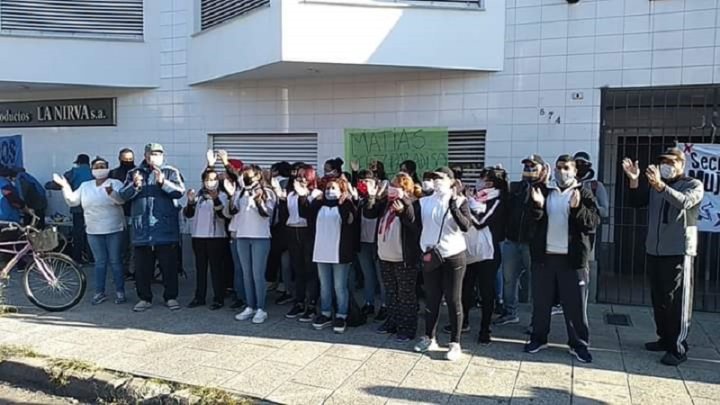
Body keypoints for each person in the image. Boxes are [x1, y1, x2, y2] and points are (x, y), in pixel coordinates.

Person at [622, 147, 703, 366]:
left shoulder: (693, 185)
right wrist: (634, 179)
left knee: (676, 301)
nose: (666, 166)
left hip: (679, 251)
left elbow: (684, 202)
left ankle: (678, 347)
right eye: (662, 162)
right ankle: (664, 339)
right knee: (659, 298)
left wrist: (660, 185)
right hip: (655, 250)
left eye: (671, 162)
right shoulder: (655, 185)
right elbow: (636, 202)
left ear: (681, 164)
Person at [524, 154, 600, 364]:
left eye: (566, 168)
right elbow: (532, 222)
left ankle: (579, 344)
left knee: (574, 306)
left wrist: (577, 209)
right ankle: (538, 338)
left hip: (572, 261)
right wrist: (538, 206)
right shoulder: (546, 192)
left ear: (575, 171)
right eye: (558, 167)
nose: (561, 171)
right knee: (541, 303)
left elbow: (592, 223)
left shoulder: (583, 193)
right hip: (545, 258)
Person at [414, 167, 472, 361]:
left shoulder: (461, 201)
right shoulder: (423, 202)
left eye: (440, 178)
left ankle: (455, 343)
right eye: (433, 178)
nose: (435, 181)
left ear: (451, 181)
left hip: (453, 255)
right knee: (432, 297)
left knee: (453, 298)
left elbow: (465, 226)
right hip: (431, 256)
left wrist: (454, 205)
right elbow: (411, 221)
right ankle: (429, 337)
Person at [120, 143, 186, 312]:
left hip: (165, 228)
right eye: (151, 153)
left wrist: (163, 182)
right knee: (142, 269)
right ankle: (144, 298)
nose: (154, 156)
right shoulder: (134, 172)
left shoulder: (171, 171)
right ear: (145, 155)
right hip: (142, 230)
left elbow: (179, 192)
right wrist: (135, 185)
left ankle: (171, 297)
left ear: (163, 155)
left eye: (158, 153)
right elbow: (122, 195)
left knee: (168, 267)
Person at [54, 157, 126, 305]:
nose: (99, 169)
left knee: (115, 261)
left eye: (102, 166)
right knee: (100, 262)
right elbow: (73, 201)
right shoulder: (85, 186)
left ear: (108, 168)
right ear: (92, 169)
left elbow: (121, 201)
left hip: (114, 228)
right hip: (93, 230)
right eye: (97, 166)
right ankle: (99, 292)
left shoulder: (116, 183)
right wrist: (64, 185)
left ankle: (120, 292)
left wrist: (111, 193)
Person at [452, 166, 507, 344]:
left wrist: (467, 205)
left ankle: (485, 328)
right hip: (469, 249)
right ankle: (464, 321)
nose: (480, 182)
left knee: (486, 290)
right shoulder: (475, 197)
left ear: (492, 183)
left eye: (484, 179)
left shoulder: (497, 199)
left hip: (488, 253)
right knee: (466, 288)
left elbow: (481, 222)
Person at [494, 155, 548, 326]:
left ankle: (536, 320)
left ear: (542, 170)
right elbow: (504, 202)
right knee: (509, 279)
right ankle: (510, 312)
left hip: (532, 244)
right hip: (511, 241)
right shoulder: (516, 187)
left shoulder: (547, 191)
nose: (529, 170)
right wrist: (501, 179)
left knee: (536, 283)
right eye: (527, 167)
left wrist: (543, 186)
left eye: (533, 167)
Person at [226, 165, 276, 324]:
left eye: (247, 174)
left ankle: (261, 308)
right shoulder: (240, 191)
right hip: (242, 236)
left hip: (260, 236)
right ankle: (250, 306)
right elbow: (232, 212)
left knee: (257, 274)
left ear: (257, 176)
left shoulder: (267, 192)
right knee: (246, 273)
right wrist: (231, 195)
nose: (244, 177)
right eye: (243, 174)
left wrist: (259, 200)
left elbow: (267, 213)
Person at [374, 173, 421, 342]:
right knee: (391, 292)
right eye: (392, 185)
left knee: (406, 294)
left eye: (397, 186)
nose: (393, 188)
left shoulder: (414, 203)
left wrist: (404, 206)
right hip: (385, 255)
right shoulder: (387, 204)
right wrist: (375, 195)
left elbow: (414, 225)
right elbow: (370, 213)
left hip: (404, 257)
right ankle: (392, 321)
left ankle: (407, 328)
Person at [310, 177, 357, 334]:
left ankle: (341, 314)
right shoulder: (319, 205)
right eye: (328, 188)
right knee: (325, 285)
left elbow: (350, 222)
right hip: (321, 251)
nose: (330, 191)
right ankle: (325, 313)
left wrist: (346, 201)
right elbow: (307, 215)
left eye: (334, 188)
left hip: (339, 253)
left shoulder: (345, 205)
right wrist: (312, 198)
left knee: (339, 286)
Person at [280, 165, 323, 322]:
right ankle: (299, 301)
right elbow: (285, 214)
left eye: (304, 176)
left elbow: (309, 214)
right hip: (292, 231)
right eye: (298, 176)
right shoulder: (291, 193)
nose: (300, 179)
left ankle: (311, 304)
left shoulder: (316, 194)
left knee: (310, 269)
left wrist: (303, 195)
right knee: (297, 269)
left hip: (308, 232)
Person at [184, 168, 229, 310]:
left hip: (216, 237)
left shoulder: (223, 195)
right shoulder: (199, 195)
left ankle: (219, 298)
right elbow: (189, 214)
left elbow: (223, 215)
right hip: (198, 236)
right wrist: (190, 202)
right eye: (208, 179)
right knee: (200, 268)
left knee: (216, 268)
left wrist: (215, 198)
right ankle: (199, 297)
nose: (211, 182)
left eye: (214, 179)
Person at [355, 169, 387, 321]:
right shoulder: (359, 200)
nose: (364, 185)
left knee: (381, 277)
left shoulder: (382, 201)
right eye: (361, 182)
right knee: (368, 275)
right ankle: (369, 303)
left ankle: (385, 306)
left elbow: (371, 212)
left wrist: (373, 196)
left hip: (377, 243)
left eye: (367, 182)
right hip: (362, 241)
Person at [267, 161, 293, 304]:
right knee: (283, 260)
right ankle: (282, 285)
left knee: (284, 260)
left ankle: (285, 288)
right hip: (281, 227)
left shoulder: (281, 184)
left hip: (282, 228)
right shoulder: (284, 184)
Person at [110, 148, 136, 279]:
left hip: (134, 213)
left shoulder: (137, 172)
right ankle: (120, 269)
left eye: (130, 159)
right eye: (125, 159)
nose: (128, 161)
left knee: (133, 244)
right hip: (118, 213)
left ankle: (132, 270)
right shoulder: (113, 173)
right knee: (120, 244)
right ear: (119, 159)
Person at [64, 154, 94, 263]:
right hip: (92, 208)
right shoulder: (93, 172)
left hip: (78, 208)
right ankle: (92, 258)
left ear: (78, 162)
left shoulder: (74, 171)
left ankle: (77, 259)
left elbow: (63, 181)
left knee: (78, 234)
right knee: (92, 233)